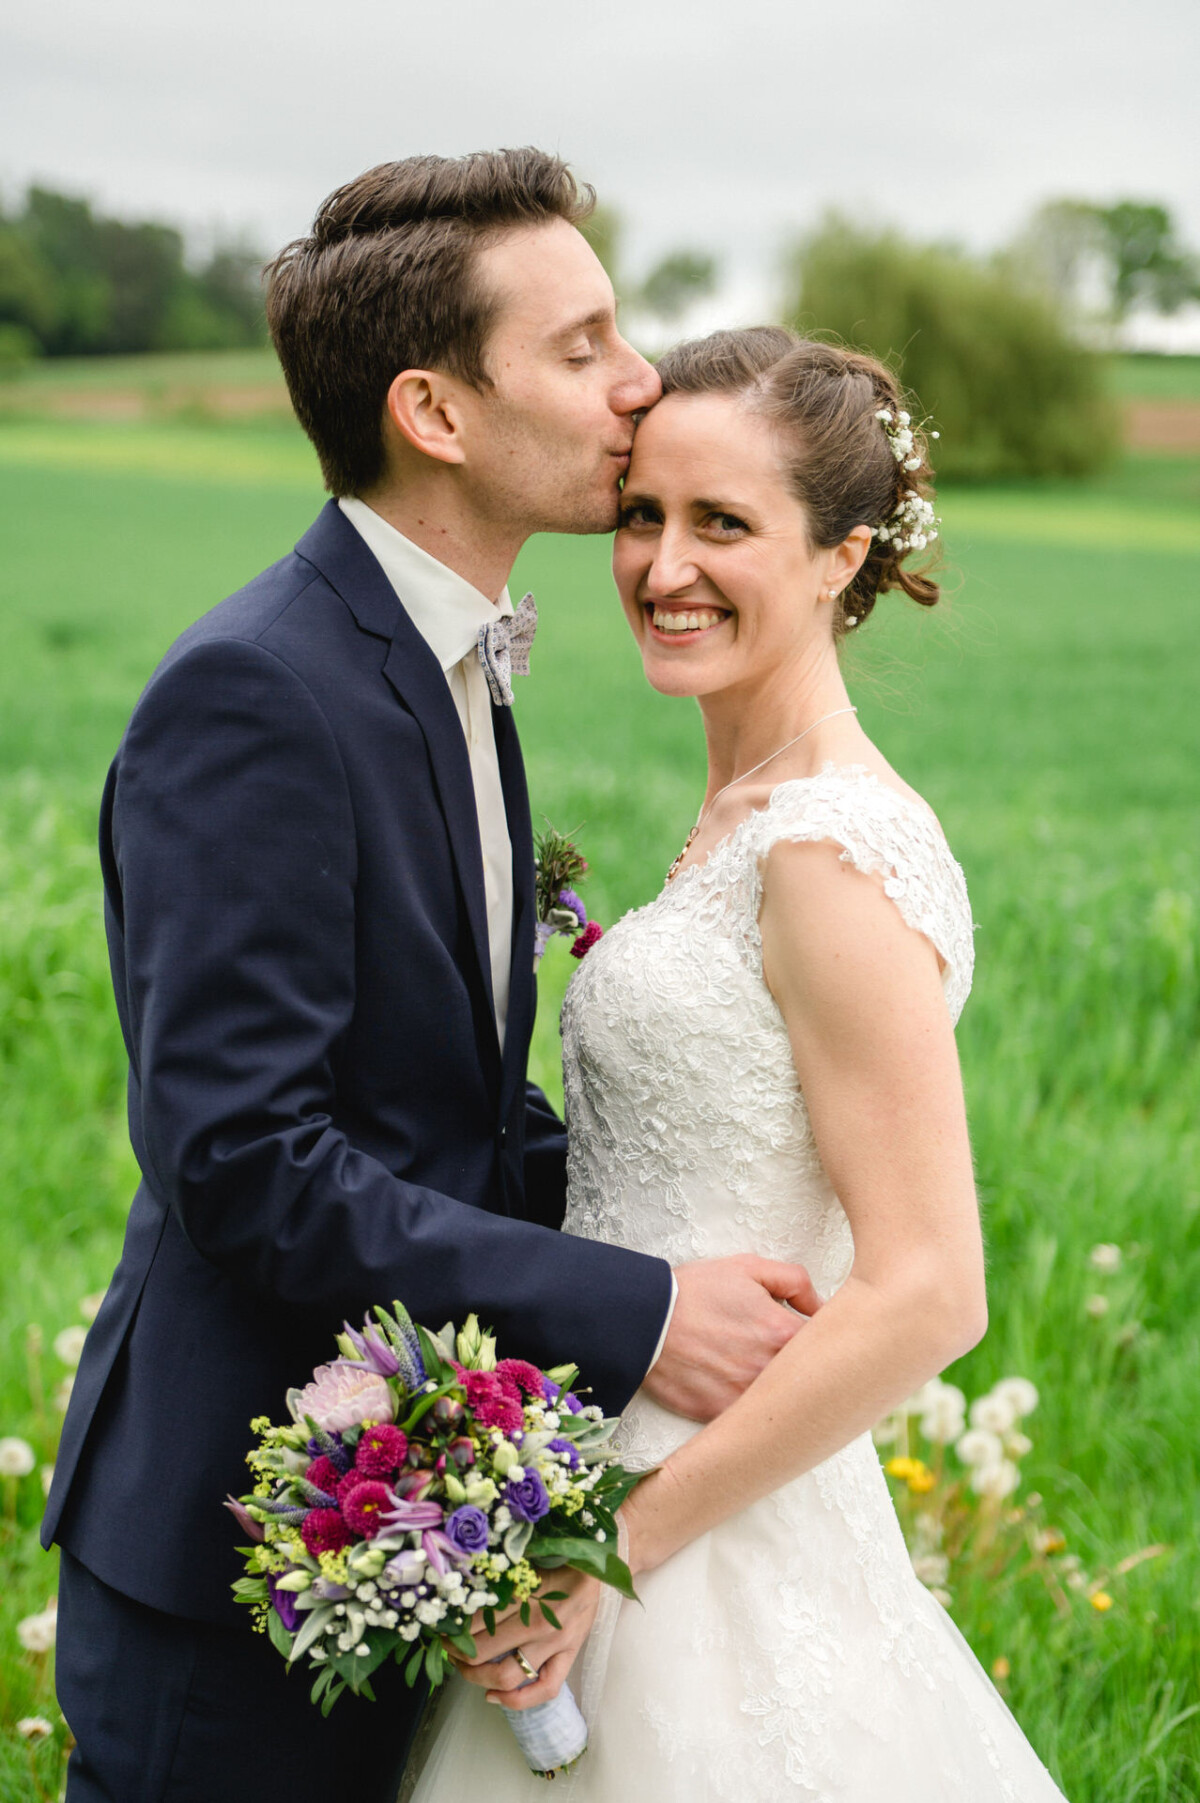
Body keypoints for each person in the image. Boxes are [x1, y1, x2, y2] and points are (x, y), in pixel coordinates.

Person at [43, 160, 821, 1802]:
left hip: (412, 1515)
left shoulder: (453, 657)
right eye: (585, 344)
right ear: (436, 413)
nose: (641, 384)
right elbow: (249, 1165)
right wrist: (642, 1311)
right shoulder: (256, 696)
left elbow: (433, 1106)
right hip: (240, 1559)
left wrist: (673, 1224)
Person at [406, 329, 1070, 1799]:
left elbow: (927, 1289)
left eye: (724, 525)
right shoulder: (742, 817)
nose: (662, 565)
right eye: (644, 514)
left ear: (842, 557)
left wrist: (608, 1549)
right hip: (615, 1440)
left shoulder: (826, 850)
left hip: (698, 1520)